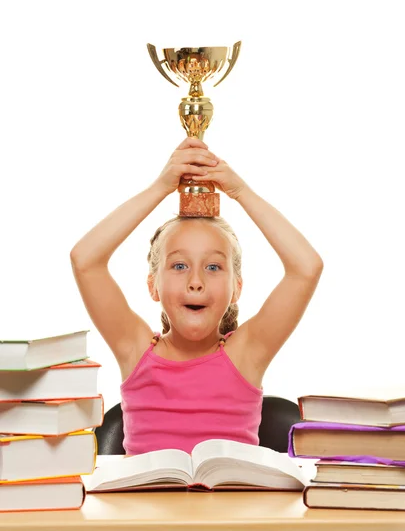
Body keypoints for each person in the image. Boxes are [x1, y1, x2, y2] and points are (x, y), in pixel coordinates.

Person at [70, 137, 323, 455]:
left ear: (237, 289)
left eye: (214, 267)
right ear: (153, 285)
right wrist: (160, 187)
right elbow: (85, 260)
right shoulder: (134, 349)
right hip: (144, 507)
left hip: (232, 506)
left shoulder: (247, 353)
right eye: (179, 265)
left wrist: (240, 192)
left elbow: (307, 267)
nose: (195, 281)